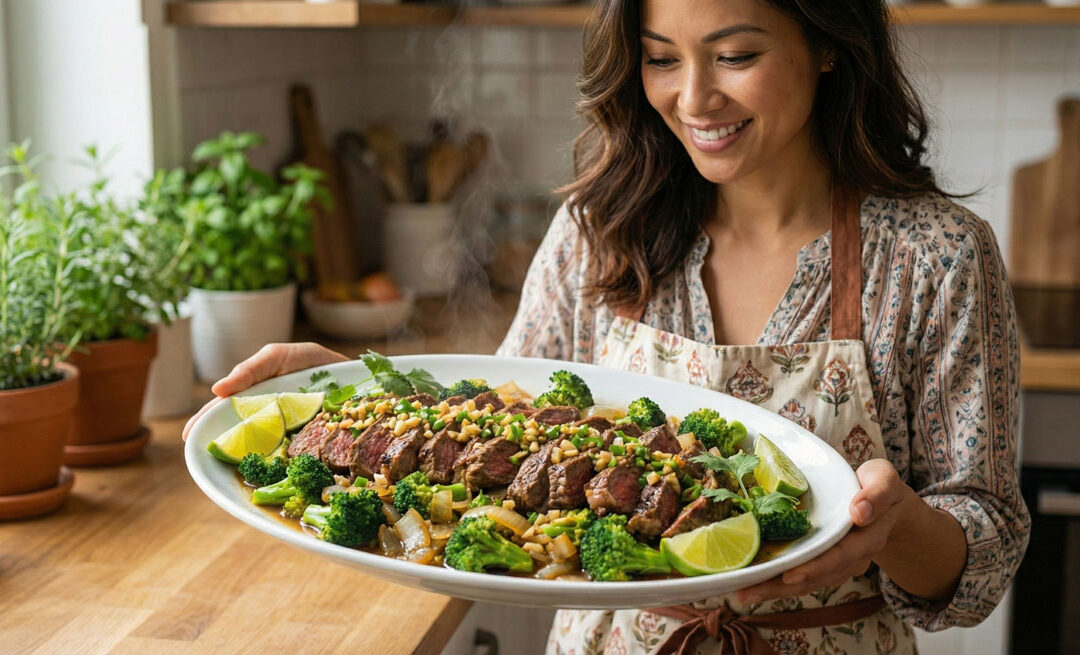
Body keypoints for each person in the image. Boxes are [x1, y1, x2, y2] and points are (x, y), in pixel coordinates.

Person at [184, 0, 1030, 652]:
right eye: (661, 58)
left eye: (735, 55)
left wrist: (900, 527)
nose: (693, 97)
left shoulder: (937, 256)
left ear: (828, 43)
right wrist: (349, 396)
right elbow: (498, 431)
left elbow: (984, 548)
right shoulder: (600, 228)